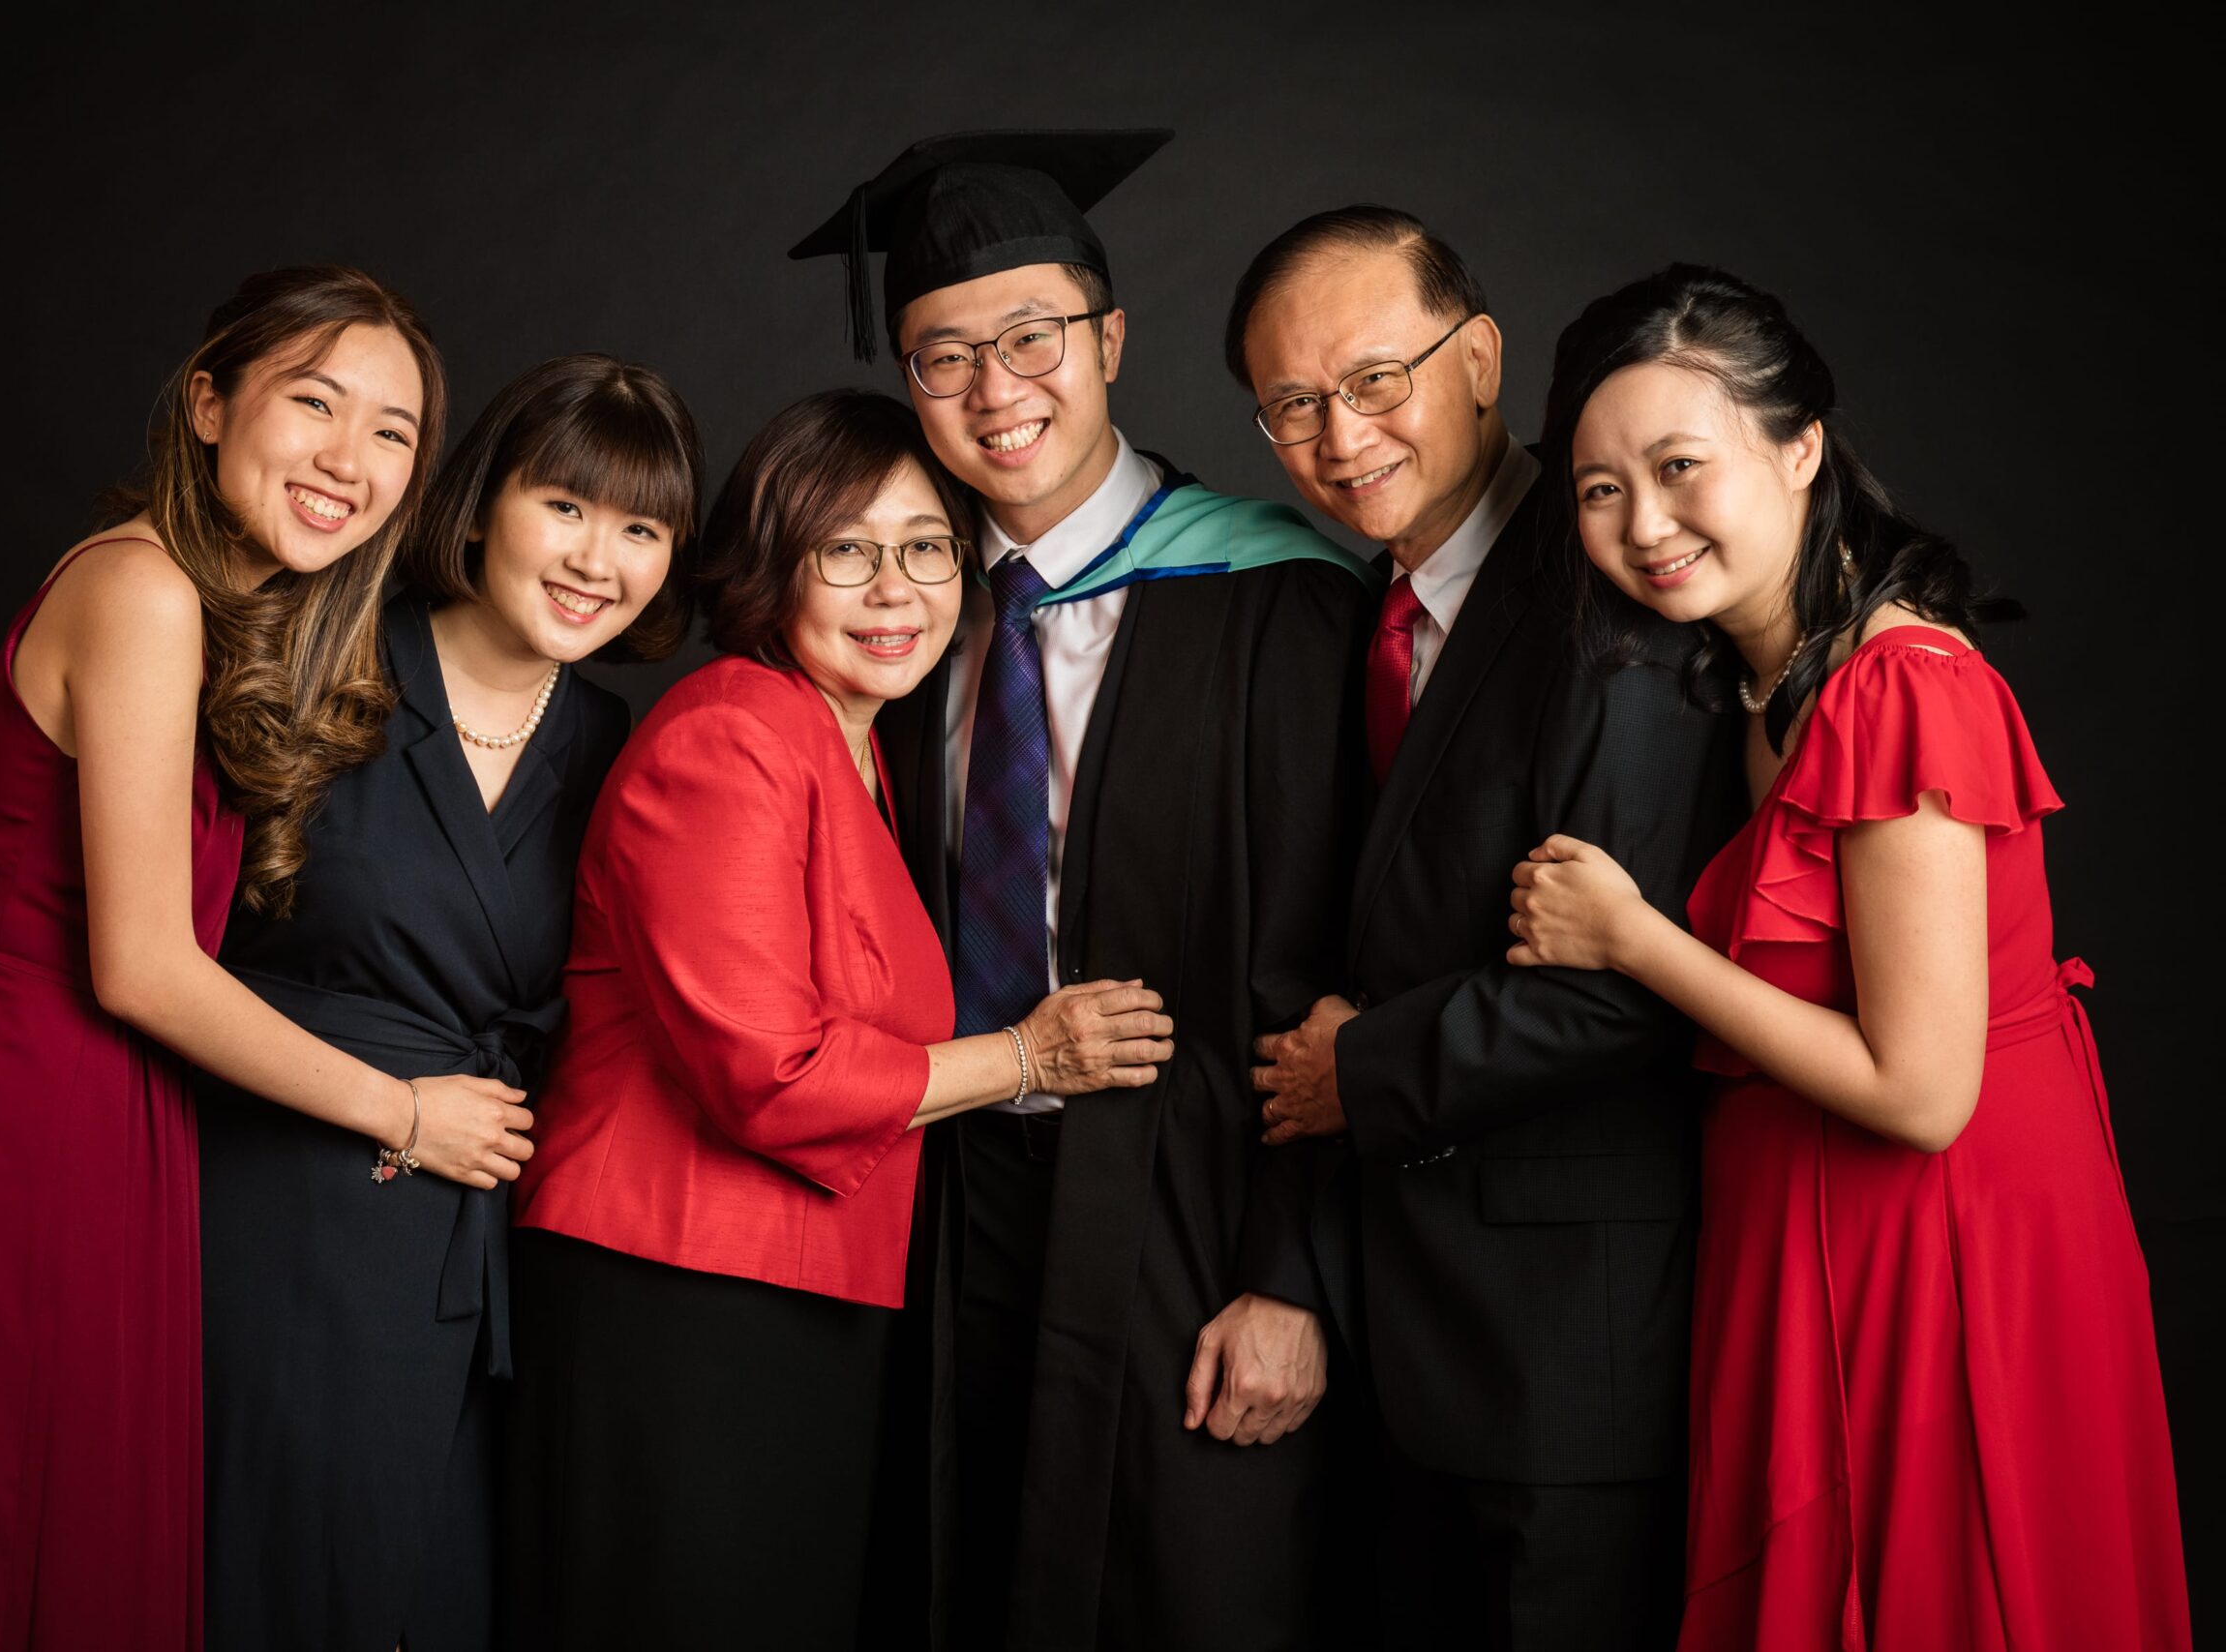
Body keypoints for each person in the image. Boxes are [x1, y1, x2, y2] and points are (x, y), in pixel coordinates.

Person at [0, 352, 704, 1650]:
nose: (599, 559)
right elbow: (110, 859)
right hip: (273, 1201)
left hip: (474, 1240)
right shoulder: (317, 652)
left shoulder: (620, 748)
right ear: (480, 505)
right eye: (568, 509)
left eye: (642, 529)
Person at [1506, 263, 2191, 1650]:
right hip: (1802, 1226)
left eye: (1681, 465)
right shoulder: (1753, 687)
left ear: (1801, 445)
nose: (1645, 523)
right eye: (1597, 488)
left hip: (1942, 1241)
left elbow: (1922, 1092)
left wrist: (1634, 939)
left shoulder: (1902, 684)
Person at [794, 132, 1373, 1652]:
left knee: (1183, 1589)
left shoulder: (1276, 605)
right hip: (946, 1189)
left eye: (1034, 337)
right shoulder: (898, 617)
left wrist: (1292, 1273)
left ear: (1110, 338)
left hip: (1191, 1195)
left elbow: (1348, 957)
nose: (997, 392)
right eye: (943, 357)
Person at [500, 388, 1172, 1652]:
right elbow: (771, 1072)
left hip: (798, 1291)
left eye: (926, 549)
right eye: (847, 552)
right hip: (675, 1293)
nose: (895, 590)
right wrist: (1031, 1055)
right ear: (773, 563)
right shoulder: (729, 733)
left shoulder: (857, 749)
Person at [1233, 209, 1737, 1648]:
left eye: (1377, 378)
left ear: (1482, 360)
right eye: (1294, 407)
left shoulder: (1616, 599)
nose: (1342, 439)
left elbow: (1634, 988)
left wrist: (1362, 1069)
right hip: (1405, 1337)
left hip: (1565, 1352)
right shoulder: (1352, 621)